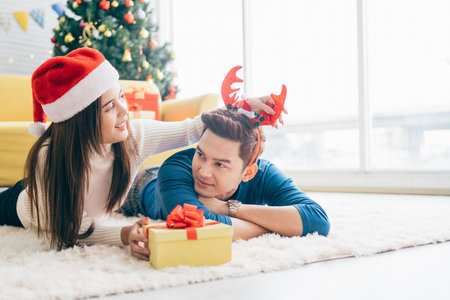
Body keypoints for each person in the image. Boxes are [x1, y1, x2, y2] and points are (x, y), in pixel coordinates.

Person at [0, 48, 277, 260]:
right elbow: (73, 230)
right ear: (80, 120)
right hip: (26, 204)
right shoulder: (49, 161)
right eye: (110, 107)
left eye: (121, 96)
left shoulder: (132, 139)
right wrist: (123, 233)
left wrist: (242, 108)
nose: (125, 111)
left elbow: (191, 129)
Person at [121, 109, 330, 240]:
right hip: (144, 185)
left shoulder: (264, 173)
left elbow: (318, 220)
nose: (203, 172)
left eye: (220, 164)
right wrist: (277, 227)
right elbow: (200, 226)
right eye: (201, 154)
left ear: (248, 173)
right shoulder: (174, 167)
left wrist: (227, 208)